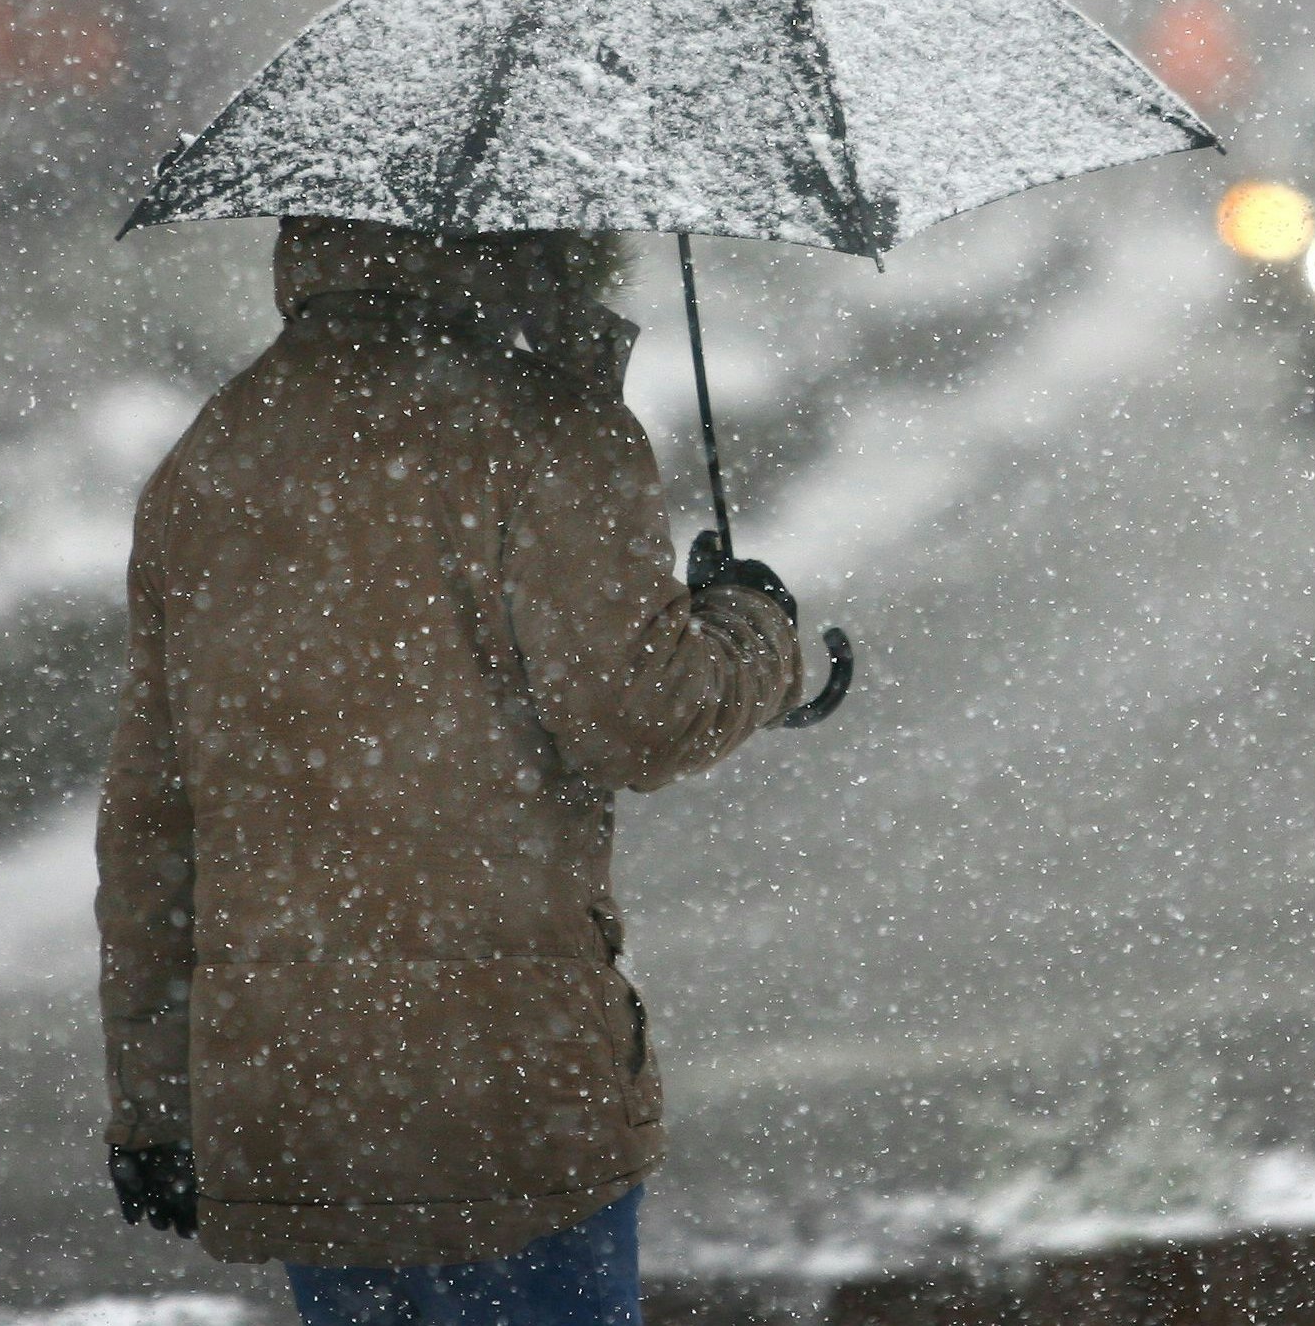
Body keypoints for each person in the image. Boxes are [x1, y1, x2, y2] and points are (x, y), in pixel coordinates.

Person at [98, 216, 804, 1326]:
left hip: (298, 1088)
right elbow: (644, 715)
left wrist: (153, 1103)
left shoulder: (218, 450)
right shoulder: (549, 431)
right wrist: (756, 626)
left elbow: (152, 817)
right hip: (506, 1086)